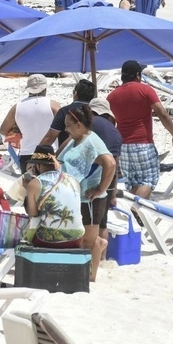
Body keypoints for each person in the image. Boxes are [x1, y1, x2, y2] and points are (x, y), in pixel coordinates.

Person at [56, 104, 115, 281]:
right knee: (82, 237)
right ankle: (99, 245)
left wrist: (101, 189)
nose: (66, 129)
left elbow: (110, 163)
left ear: (79, 124)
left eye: (68, 125)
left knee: (89, 241)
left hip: (89, 199)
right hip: (76, 196)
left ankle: (91, 277)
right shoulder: (76, 139)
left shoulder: (92, 141)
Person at [107, 60, 173, 197]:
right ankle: (135, 211)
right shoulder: (145, 90)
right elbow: (162, 114)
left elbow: (110, 123)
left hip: (123, 147)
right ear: (137, 75)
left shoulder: (112, 96)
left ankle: (133, 214)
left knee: (133, 182)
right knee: (148, 180)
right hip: (143, 144)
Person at [22, 145, 84, 249]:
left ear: (38, 165)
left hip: (46, 240)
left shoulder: (35, 183)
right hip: (77, 237)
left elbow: (33, 213)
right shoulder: (74, 180)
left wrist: (27, 190)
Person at [0, 75, 60, 168]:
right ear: (45, 89)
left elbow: (3, 131)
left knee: (28, 182)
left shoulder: (16, 108)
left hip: (26, 154)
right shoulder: (54, 106)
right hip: (49, 153)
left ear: (28, 89)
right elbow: (65, 127)